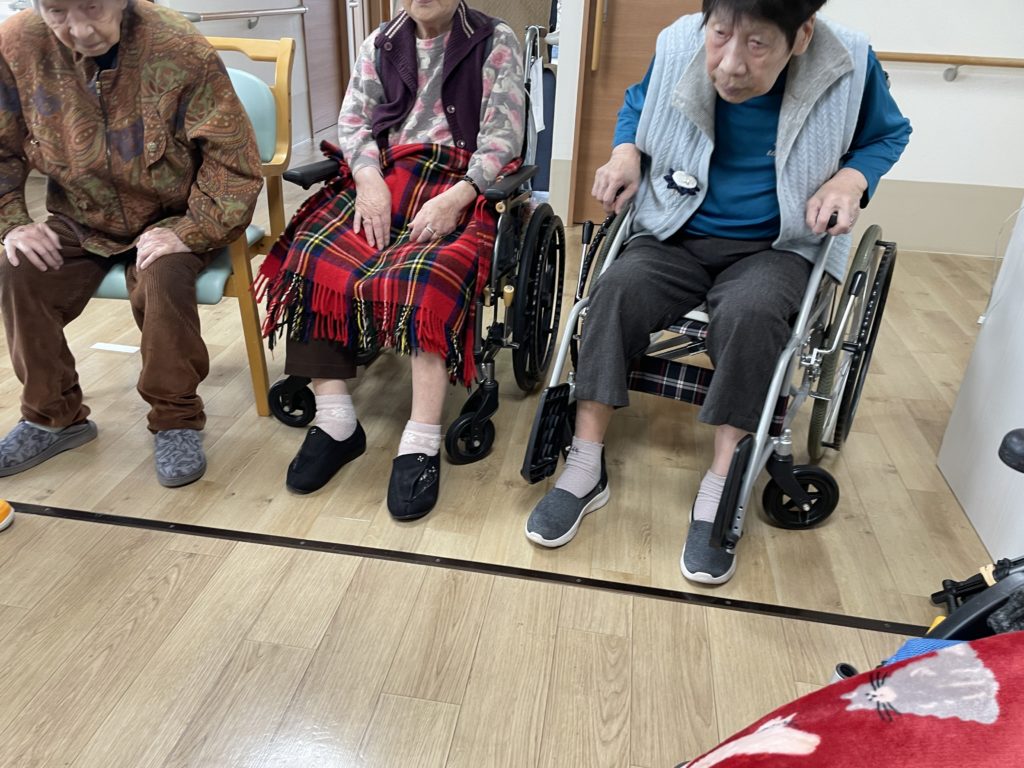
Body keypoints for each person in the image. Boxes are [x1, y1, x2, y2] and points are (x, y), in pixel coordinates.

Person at [525, 0, 911, 584]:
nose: (730, 64)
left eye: (756, 44)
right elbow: (639, 104)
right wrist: (626, 151)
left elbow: (888, 134)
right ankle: (584, 465)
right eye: (721, 34)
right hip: (676, 231)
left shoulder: (849, 60)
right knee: (611, 292)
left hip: (777, 245)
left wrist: (850, 178)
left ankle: (721, 486)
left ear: (801, 35)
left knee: (754, 316)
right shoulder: (679, 41)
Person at [257, 0, 524, 519]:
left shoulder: (495, 41)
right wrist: (367, 178)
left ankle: (421, 439)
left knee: (427, 279)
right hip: (386, 173)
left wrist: (459, 198)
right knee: (310, 252)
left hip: (457, 182)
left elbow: (502, 136)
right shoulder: (380, 43)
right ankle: (336, 420)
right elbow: (354, 121)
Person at [0, 0, 263, 487]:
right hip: (81, 214)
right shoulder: (16, 45)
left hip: (174, 213)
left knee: (162, 276)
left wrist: (190, 230)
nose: (80, 29)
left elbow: (232, 160)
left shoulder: (178, 45)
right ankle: (52, 417)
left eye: (92, 6)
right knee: (20, 267)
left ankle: (176, 419)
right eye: (57, 11)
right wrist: (12, 222)